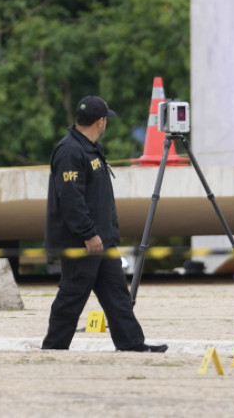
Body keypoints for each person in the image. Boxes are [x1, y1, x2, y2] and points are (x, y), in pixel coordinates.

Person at [41, 95, 167, 353]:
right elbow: (71, 199)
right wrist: (88, 234)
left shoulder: (88, 147)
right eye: (105, 120)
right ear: (100, 122)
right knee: (72, 295)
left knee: (117, 295)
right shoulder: (70, 151)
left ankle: (132, 344)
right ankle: (53, 348)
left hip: (102, 239)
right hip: (83, 241)